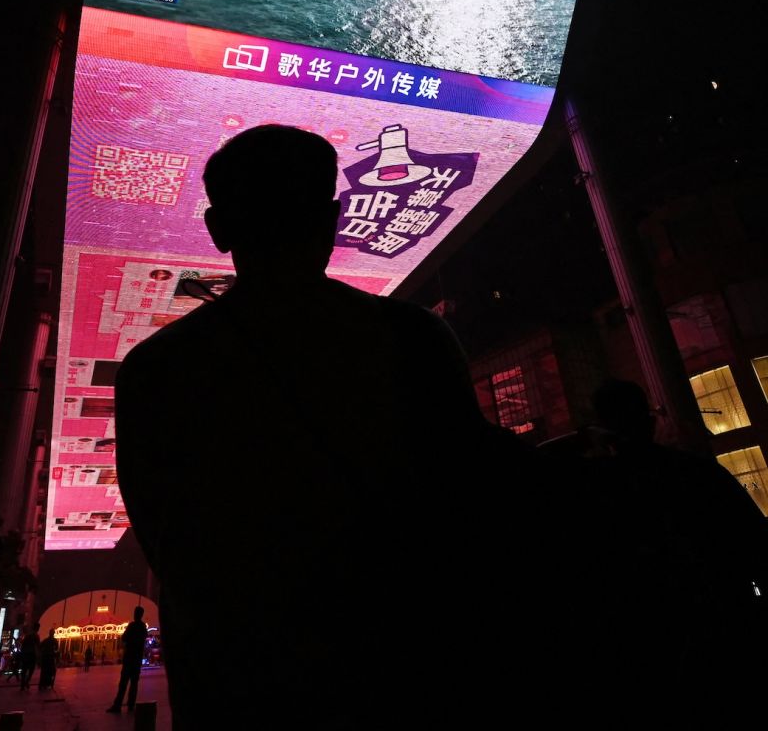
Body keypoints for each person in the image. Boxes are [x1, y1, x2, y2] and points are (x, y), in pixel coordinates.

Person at [115, 126, 574, 727]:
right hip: (400, 663)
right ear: (331, 218)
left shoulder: (157, 369)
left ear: (217, 227)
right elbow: (472, 490)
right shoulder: (411, 339)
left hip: (236, 680)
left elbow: (164, 534)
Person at [585, 377, 768, 714]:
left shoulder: (593, 494)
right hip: (726, 640)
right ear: (651, 420)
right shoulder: (699, 475)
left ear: (601, 430)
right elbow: (754, 542)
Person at [106, 606, 147, 714]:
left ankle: (118, 705)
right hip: (137, 660)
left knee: (123, 683)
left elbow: (124, 638)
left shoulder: (132, 626)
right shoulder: (143, 627)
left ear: (136, 614)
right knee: (134, 684)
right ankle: (131, 705)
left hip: (129, 658)